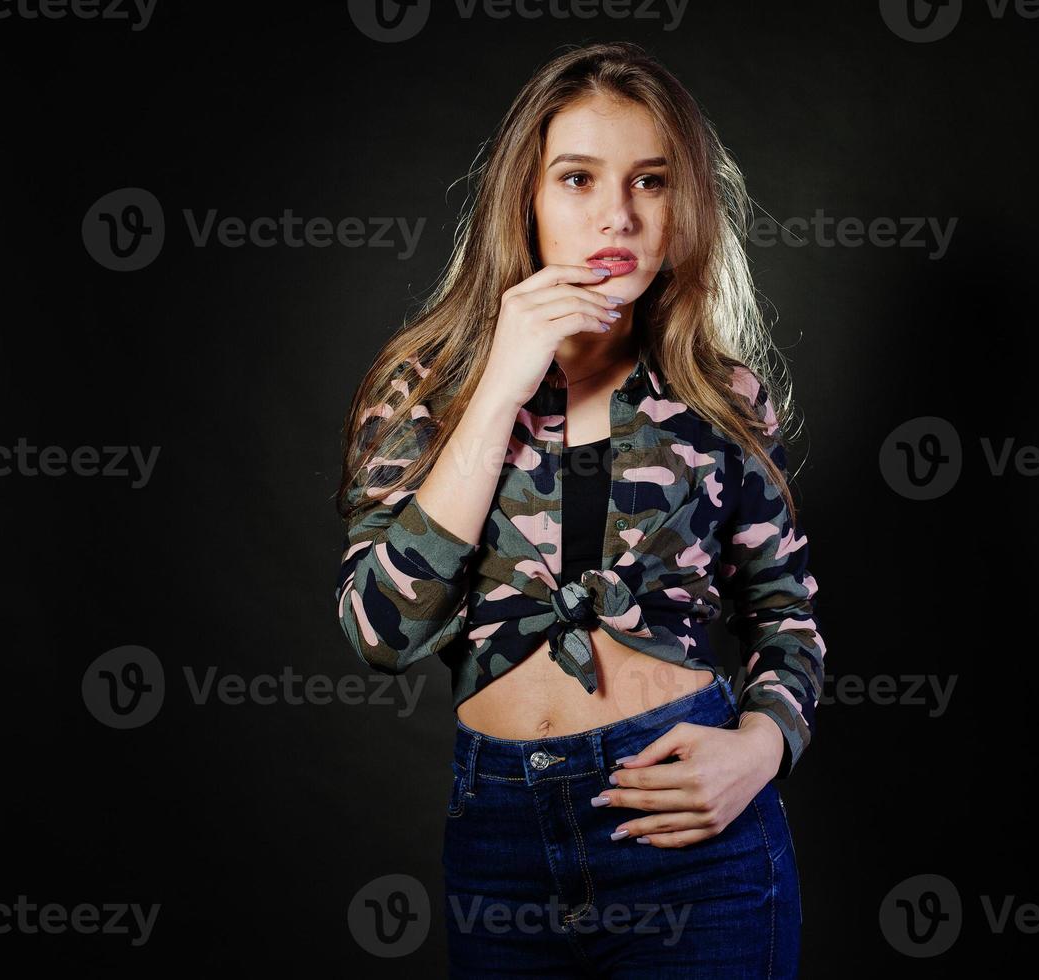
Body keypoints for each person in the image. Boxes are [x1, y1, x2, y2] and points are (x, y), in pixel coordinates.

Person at [334, 40, 825, 978]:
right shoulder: (423, 390)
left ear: (685, 207)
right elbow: (380, 633)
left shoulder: (719, 396)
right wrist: (500, 388)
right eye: (577, 179)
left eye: (651, 180)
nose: (618, 215)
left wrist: (759, 749)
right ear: (525, 198)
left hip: (694, 837)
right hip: (501, 843)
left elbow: (787, 616)